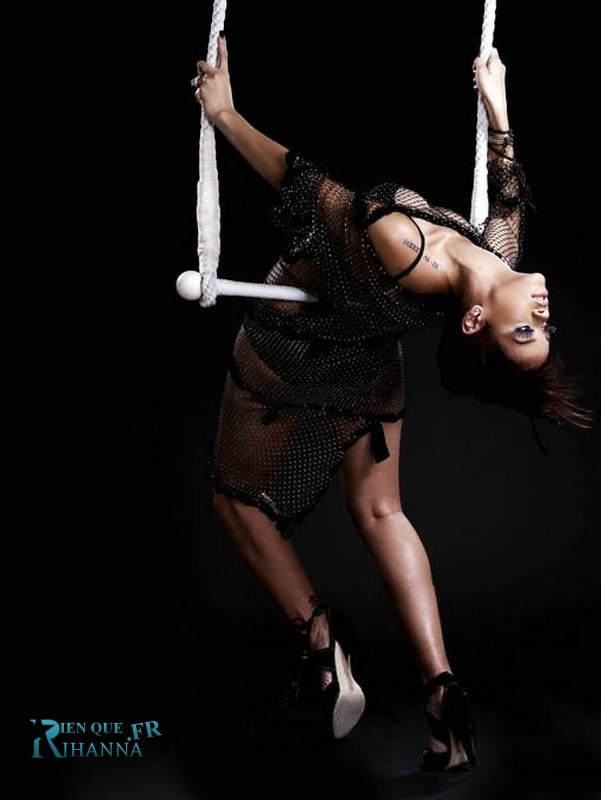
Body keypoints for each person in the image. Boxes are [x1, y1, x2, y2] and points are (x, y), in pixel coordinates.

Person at [191, 34, 591, 772]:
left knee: (235, 499)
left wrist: (224, 115)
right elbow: (506, 198)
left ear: (474, 322)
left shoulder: (405, 244)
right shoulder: (493, 261)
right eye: (543, 328)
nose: (541, 310)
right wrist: (498, 111)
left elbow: (304, 185)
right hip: (368, 352)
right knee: (381, 511)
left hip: (294, 339)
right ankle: (444, 698)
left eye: (524, 331)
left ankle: (320, 641)